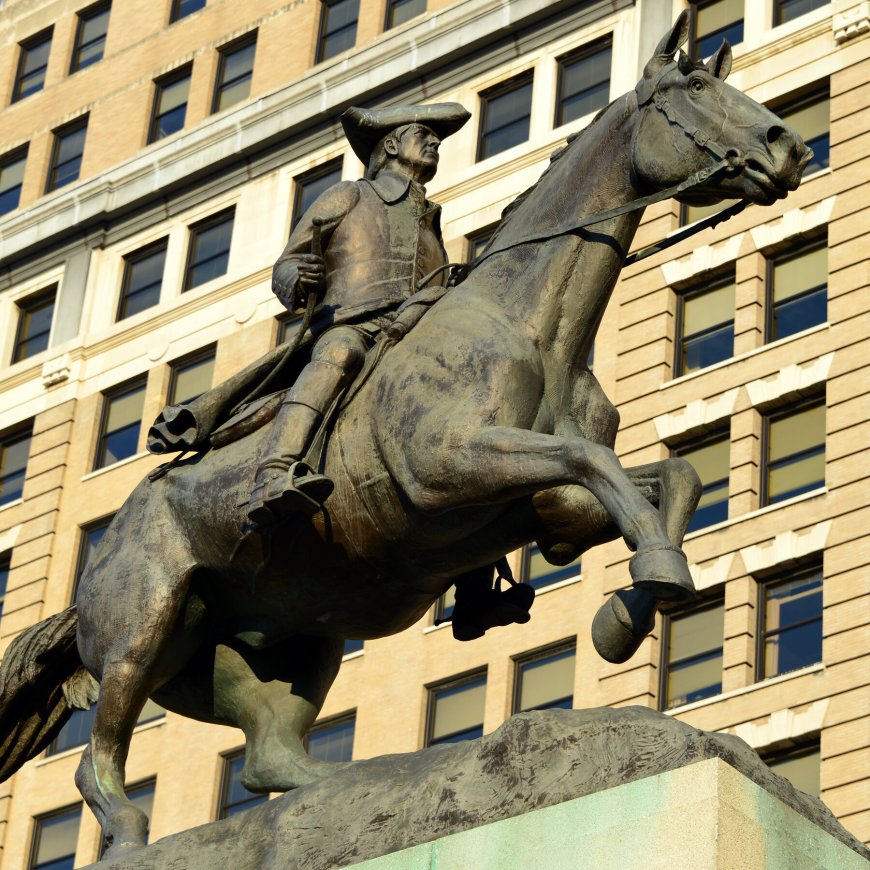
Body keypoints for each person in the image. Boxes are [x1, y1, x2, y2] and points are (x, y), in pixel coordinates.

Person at [247, 103, 469, 523]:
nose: (435, 142)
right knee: (340, 355)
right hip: (355, 323)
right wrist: (299, 278)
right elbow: (287, 264)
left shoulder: (429, 217)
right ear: (390, 144)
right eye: (422, 134)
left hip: (418, 326)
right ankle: (274, 474)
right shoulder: (350, 194)